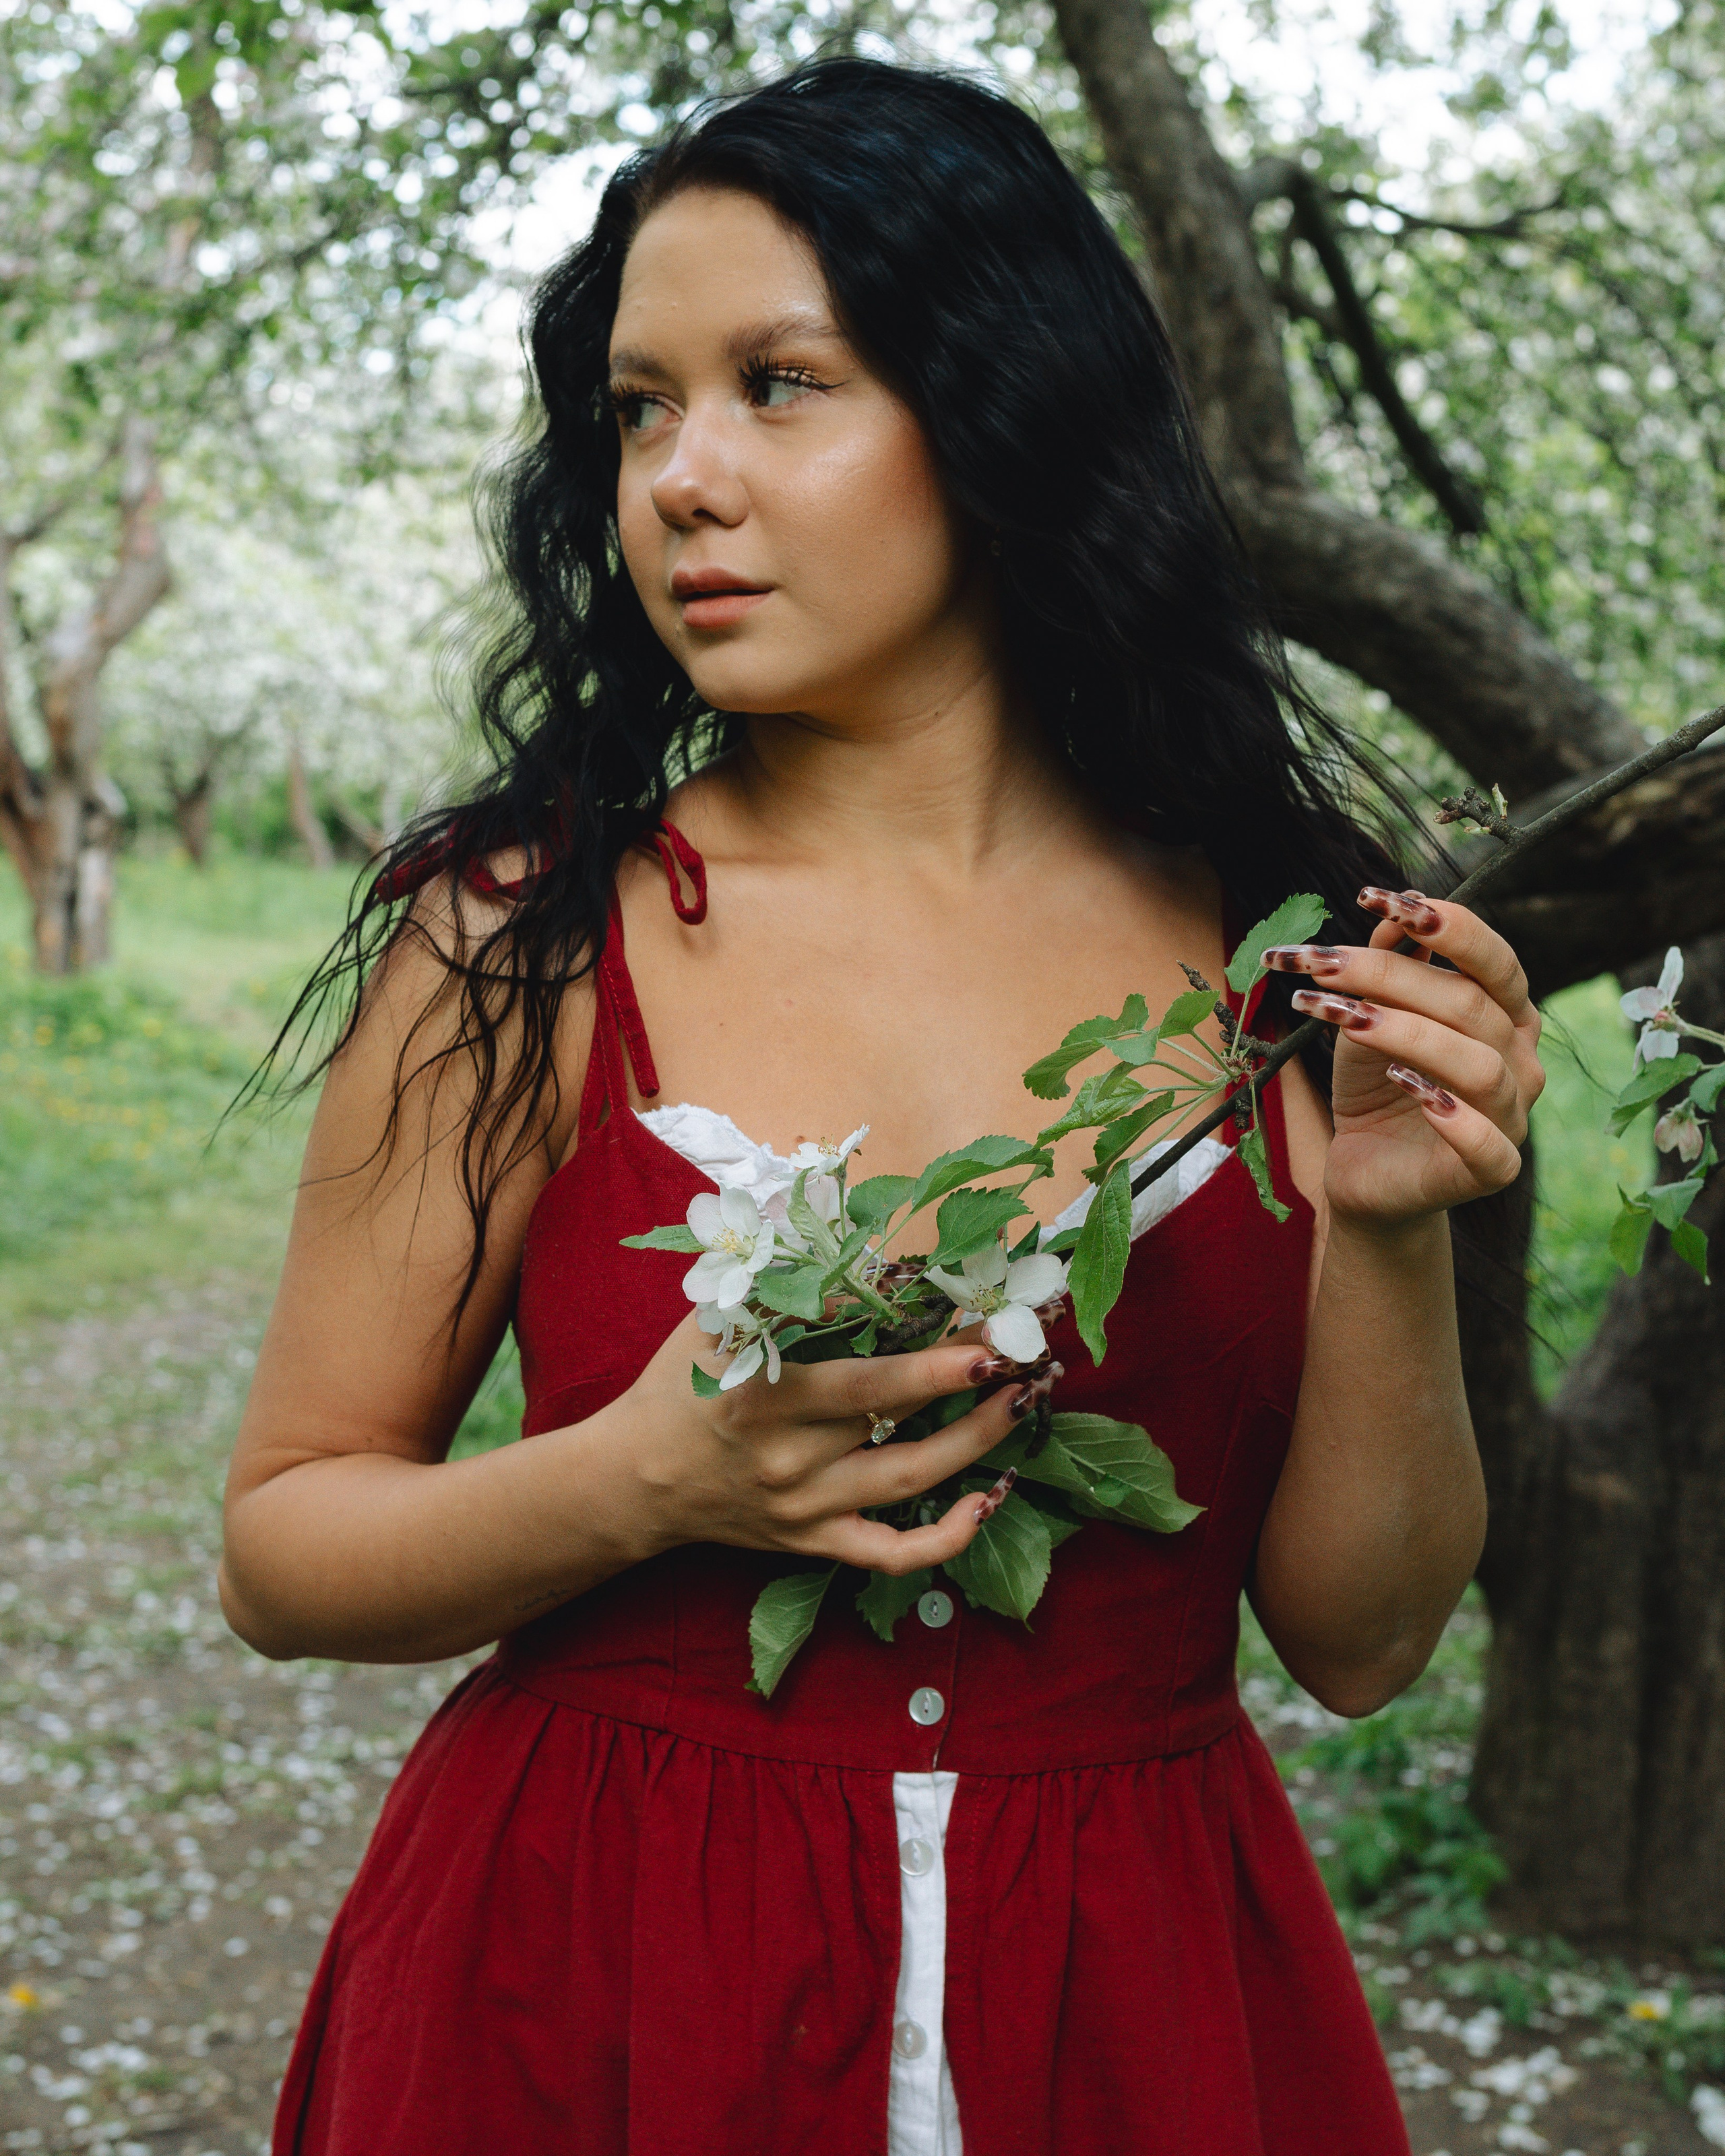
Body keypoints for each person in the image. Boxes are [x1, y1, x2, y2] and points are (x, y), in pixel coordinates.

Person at [223, 57, 1543, 2156]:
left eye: (780, 381)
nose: (678, 478)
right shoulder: (521, 939)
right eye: (641, 407)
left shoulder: (1287, 951)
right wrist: (643, 1482)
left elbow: (1366, 1643)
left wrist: (1389, 1226)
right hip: (591, 1984)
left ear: (1000, 405)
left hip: (1132, 1998)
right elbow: (288, 1546)